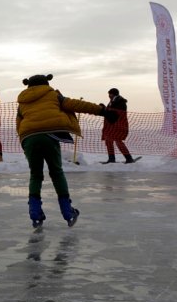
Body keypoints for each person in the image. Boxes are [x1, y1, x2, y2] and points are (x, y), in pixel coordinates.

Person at [16, 74, 117, 228]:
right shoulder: (53, 95)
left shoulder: (22, 102)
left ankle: (35, 213)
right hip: (50, 134)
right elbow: (76, 105)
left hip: (29, 137)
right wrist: (102, 111)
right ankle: (68, 212)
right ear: (46, 83)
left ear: (28, 86)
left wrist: (26, 143)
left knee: (35, 175)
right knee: (56, 172)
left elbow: (19, 124)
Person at [101, 87, 136, 164]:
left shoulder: (120, 102)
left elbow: (114, 114)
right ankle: (111, 159)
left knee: (118, 141)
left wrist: (105, 110)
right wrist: (104, 108)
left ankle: (129, 158)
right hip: (111, 125)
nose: (109, 96)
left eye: (109, 94)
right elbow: (110, 111)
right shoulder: (112, 101)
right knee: (108, 141)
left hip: (118, 125)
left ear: (112, 94)